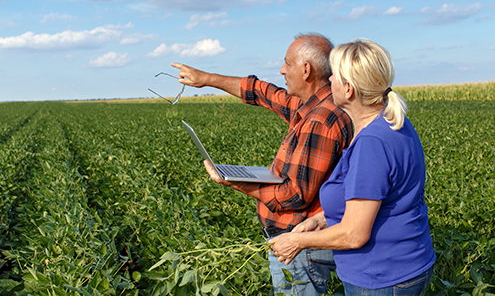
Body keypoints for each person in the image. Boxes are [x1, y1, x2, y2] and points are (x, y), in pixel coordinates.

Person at [172, 33, 353, 296]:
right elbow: (262, 92)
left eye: (287, 64)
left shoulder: (320, 120)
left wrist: (236, 181)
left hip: (299, 243)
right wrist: (208, 79)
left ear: (306, 70)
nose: (281, 70)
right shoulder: (312, 105)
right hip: (300, 239)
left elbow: (294, 196)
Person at [269, 39, 436, 295]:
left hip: (380, 276)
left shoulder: (372, 144)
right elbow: (375, 200)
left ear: (348, 89)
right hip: (408, 264)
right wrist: (321, 220)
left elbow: (353, 234)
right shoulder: (392, 123)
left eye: (334, 75)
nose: (329, 80)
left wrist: (297, 241)